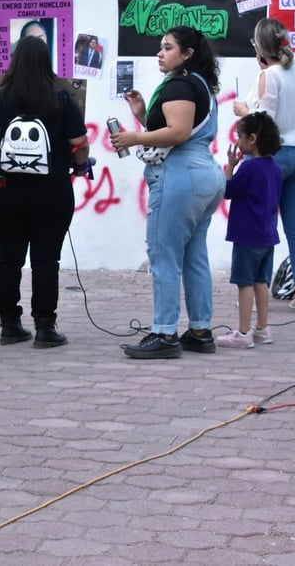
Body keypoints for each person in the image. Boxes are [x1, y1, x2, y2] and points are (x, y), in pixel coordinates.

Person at [112, 25, 226, 359]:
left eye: (168, 48)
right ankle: (200, 330)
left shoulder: (181, 84)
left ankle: (164, 332)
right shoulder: (200, 83)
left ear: (188, 54)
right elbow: (178, 127)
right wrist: (143, 114)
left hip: (180, 175)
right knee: (194, 256)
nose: (160, 53)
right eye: (161, 47)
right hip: (204, 174)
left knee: (163, 255)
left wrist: (134, 137)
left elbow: (177, 132)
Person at [0, 36, 89, 348]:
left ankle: (10, 325)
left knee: (8, 258)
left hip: (5, 190)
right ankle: (45, 328)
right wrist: (79, 165)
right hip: (52, 190)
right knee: (46, 259)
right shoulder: (62, 98)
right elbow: (79, 143)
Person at [233, 17, 295, 313]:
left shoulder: (269, 76)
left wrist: (243, 110)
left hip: (276, 157)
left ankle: (259, 292)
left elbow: (264, 122)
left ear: (259, 47)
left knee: (262, 224)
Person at [215, 112, 283, 349]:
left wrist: (230, 167)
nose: (238, 141)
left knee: (244, 282)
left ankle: (243, 332)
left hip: (246, 235)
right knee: (261, 281)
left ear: (252, 139)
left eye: (240, 136)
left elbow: (228, 191)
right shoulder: (274, 167)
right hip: (267, 234)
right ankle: (262, 329)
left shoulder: (249, 167)